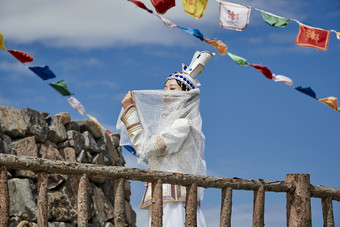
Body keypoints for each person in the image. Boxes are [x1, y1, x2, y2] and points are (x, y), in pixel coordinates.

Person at [117, 51, 215, 227]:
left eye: (172, 89)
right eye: (165, 88)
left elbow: (146, 148)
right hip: (165, 197)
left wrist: (131, 113)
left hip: (175, 201)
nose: (165, 92)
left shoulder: (183, 125)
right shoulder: (173, 125)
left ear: (185, 95)